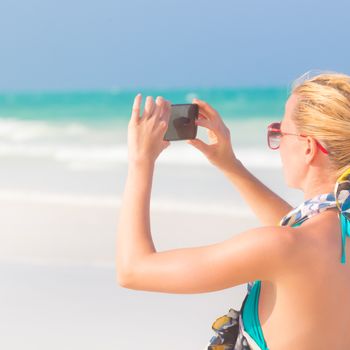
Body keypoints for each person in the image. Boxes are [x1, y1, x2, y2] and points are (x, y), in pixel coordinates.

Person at [116, 71, 350, 350]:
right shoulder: (328, 237)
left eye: (280, 131)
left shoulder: (284, 248)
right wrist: (229, 164)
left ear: (309, 147)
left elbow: (133, 270)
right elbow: (298, 231)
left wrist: (141, 160)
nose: (277, 142)